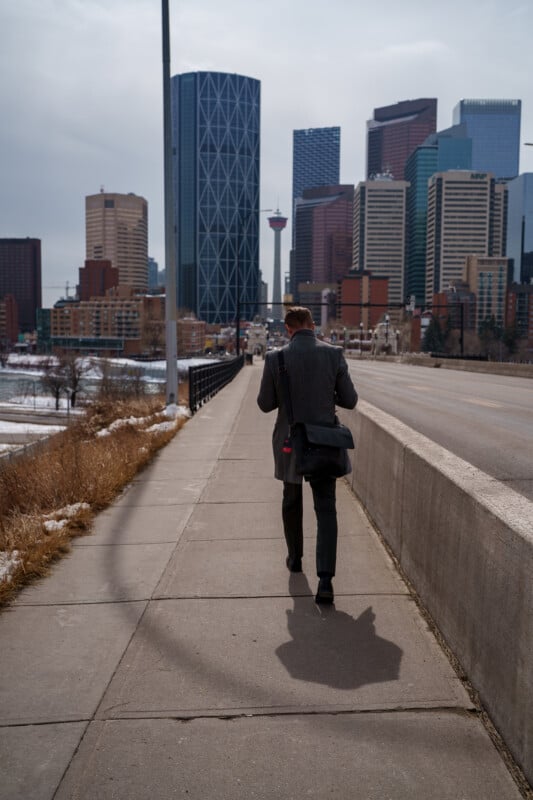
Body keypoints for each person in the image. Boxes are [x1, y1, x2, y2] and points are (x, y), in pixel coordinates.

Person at [257, 306, 357, 604]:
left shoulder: (276, 358)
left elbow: (265, 404)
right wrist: (327, 395)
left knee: (291, 499)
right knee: (326, 508)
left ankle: (295, 557)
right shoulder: (334, 354)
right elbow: (350, 400)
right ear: (312, 325)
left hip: (290, 439)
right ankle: (325, 580)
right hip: (324, 440)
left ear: (288, 329)